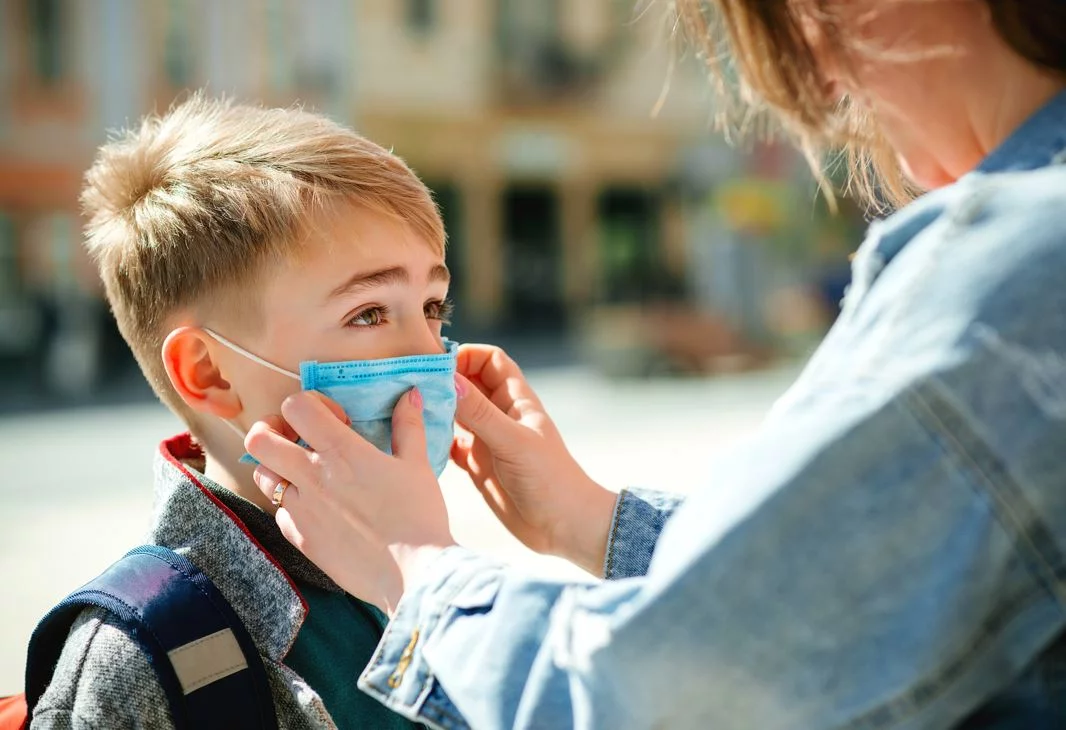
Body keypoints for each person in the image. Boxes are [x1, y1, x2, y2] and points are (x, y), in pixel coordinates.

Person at [245, 1, 1066, 728]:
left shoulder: (1015, 273)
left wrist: (414, 565)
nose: (817, 69)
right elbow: (851, 595)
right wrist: (588, 520)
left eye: (434, 309)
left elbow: (666, 697)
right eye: (366, 313)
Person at [32, 95, 456, 728]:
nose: (431, 355)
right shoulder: (144, 653)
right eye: (368, 313)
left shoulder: (409, 561)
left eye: (432, 307)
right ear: (210, 373)